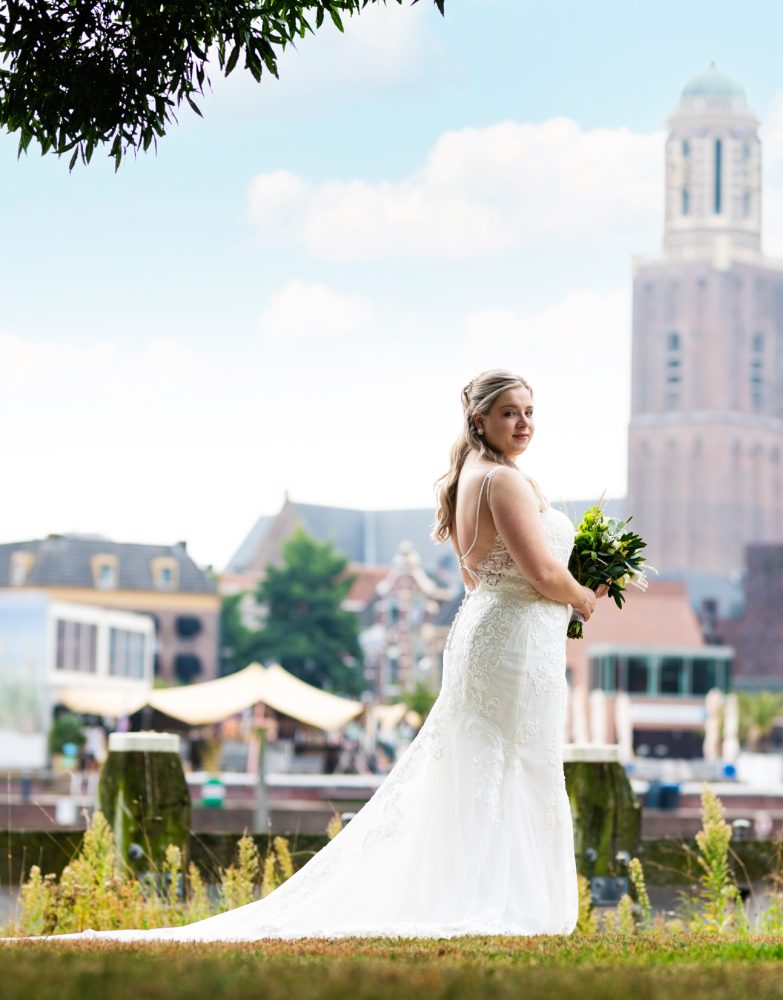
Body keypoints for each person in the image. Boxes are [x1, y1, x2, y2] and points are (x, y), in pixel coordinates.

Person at [17, 369, 601, 943]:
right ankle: (504, 898)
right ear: (481, 418)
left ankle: (484, 889)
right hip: (513, 644)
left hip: (489, 631)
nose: (523, 423)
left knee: (486, 764)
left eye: (529, 412)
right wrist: (583, 596)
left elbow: (478, 578)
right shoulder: (503, 481)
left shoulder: (469, 478)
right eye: (510, 413)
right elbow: (541, 572)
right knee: (514, 760)